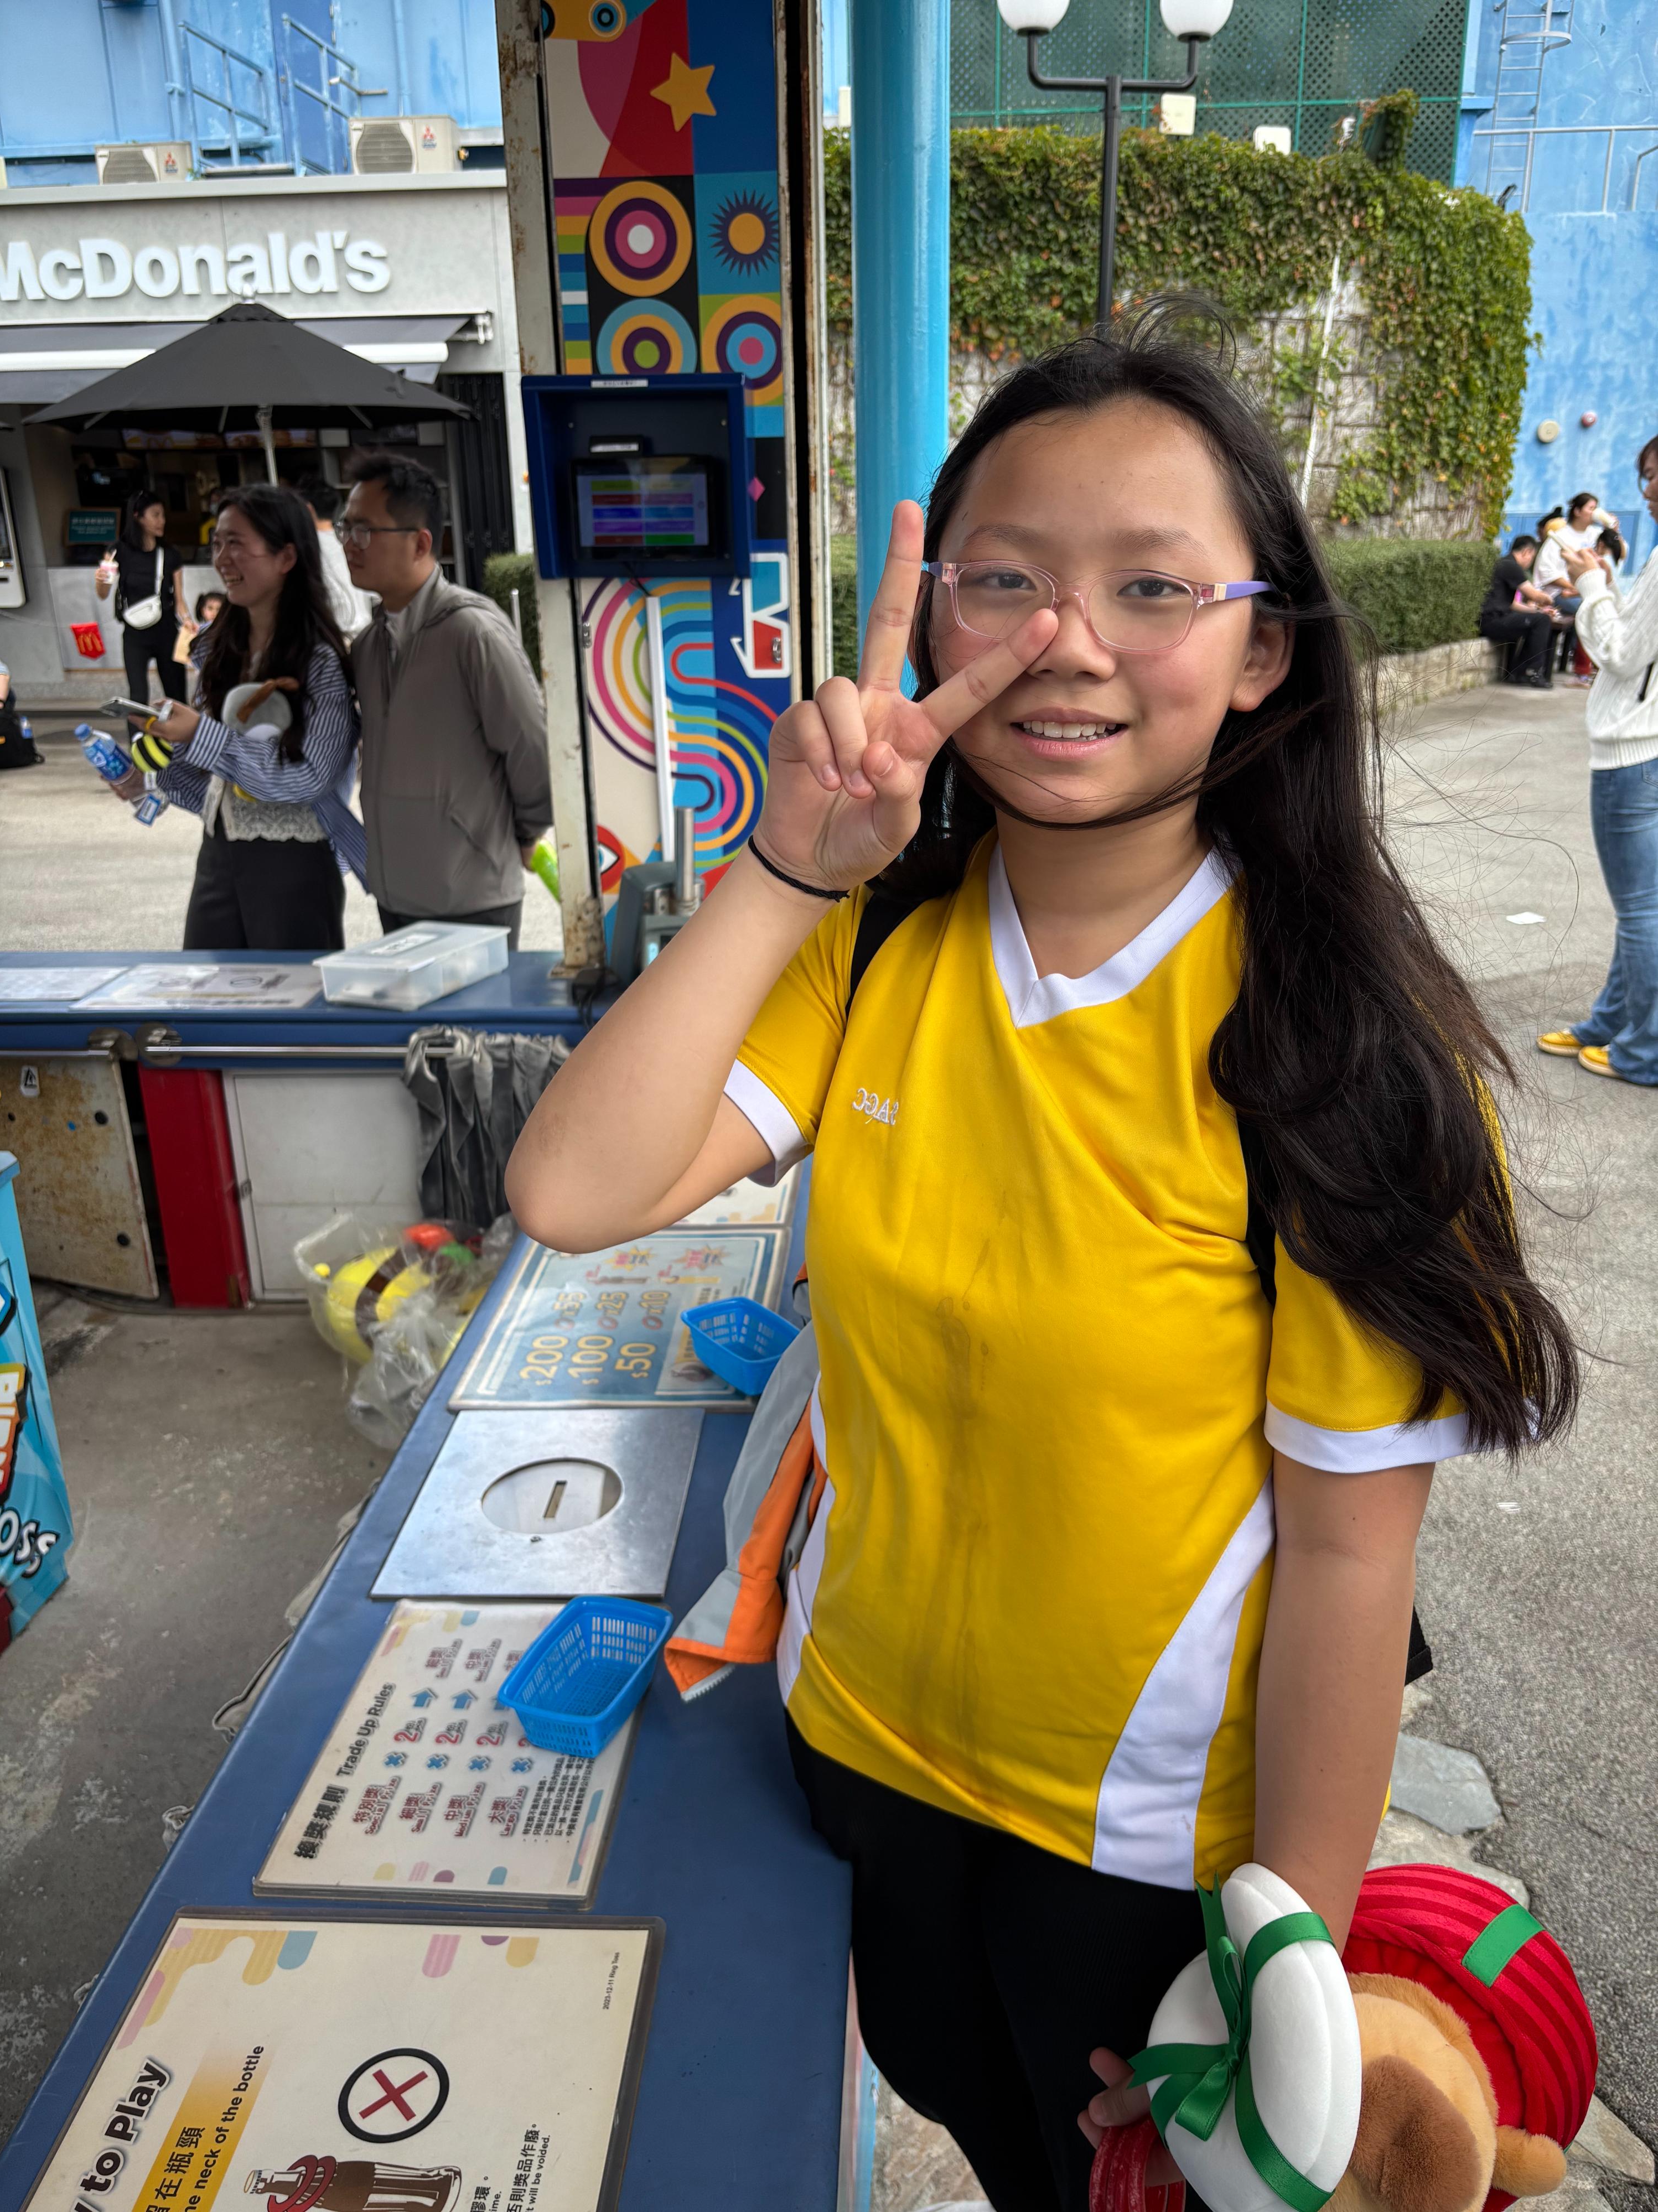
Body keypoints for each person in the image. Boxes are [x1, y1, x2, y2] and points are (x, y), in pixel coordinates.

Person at [504, 304, 1578, 2211]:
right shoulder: (880, 945)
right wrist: (790, 863)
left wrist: (1279, 1961)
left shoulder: (1339, 1054)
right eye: (1001, 581)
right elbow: (574, 1190)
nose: (1063, 642)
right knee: (975, 2117)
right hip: (858, 1752)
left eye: (1148, 586)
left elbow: (1349, 1559)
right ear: (932, 621)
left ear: (1260, 650)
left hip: (1147, 1851)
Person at [111, 485, 365, 951]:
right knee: (211, 987)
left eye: (237, 544)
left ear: (286, 557)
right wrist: (150, 775)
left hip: (294, 864)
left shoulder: (320, 661)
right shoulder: (217, 649)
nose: (222, 559)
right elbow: (217, 778)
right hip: (217, 855)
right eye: (217, 544)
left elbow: (311, 777)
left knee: (292, 993)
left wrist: (200, 733)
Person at [341, 454, 550, 948]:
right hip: (395, 894)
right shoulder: (368, 646)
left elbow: (533, 750)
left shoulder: (472, 632)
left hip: (473, 898)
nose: (350, 544)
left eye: (365, 531)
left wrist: (524, 835)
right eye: (346, 529)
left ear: (420, 543)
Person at [1537, 433, 1658, 1084]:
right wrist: (1604, 587)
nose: (1646, 490)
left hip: (1633, 752)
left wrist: (1589, 586)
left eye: (1654, 474)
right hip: (1644, 748)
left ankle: (1645, 1049)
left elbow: (1621, 654)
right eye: (1644, 476)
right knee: (1643, 906)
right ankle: (1614, 1023)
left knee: (1641, 911)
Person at [94, 489, 189, 712]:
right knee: (137, 697)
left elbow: (180, 600)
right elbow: (103, 593)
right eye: (155, 515)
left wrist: (188, 622)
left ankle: (183, 734)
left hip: (167, 632)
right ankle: (138, 734)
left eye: (163, 515)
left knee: (177, 696)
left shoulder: (171, 554)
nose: (161, 521)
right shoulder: (118, 551)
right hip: (135, 635)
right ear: (137, 516)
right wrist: (100, 580)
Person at [298, 474, 376, 640]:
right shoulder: (352, 543)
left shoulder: (305, 549)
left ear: (308, 509)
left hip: (335, 641)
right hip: (366, 636)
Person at [1478, 533, 1555, 686]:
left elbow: (1512, 604)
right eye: (1532, 556)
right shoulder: (1511, 566)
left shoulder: (1505, 563)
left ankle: (1519, 672)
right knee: (1542, 621)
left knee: (1539, 620)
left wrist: (1538, 612)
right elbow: (1535, 595)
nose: (1530, 561)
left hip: (1492, 619)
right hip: (1492, 621)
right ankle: (1533, 672)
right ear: (1527, 552)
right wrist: (1549, 600)